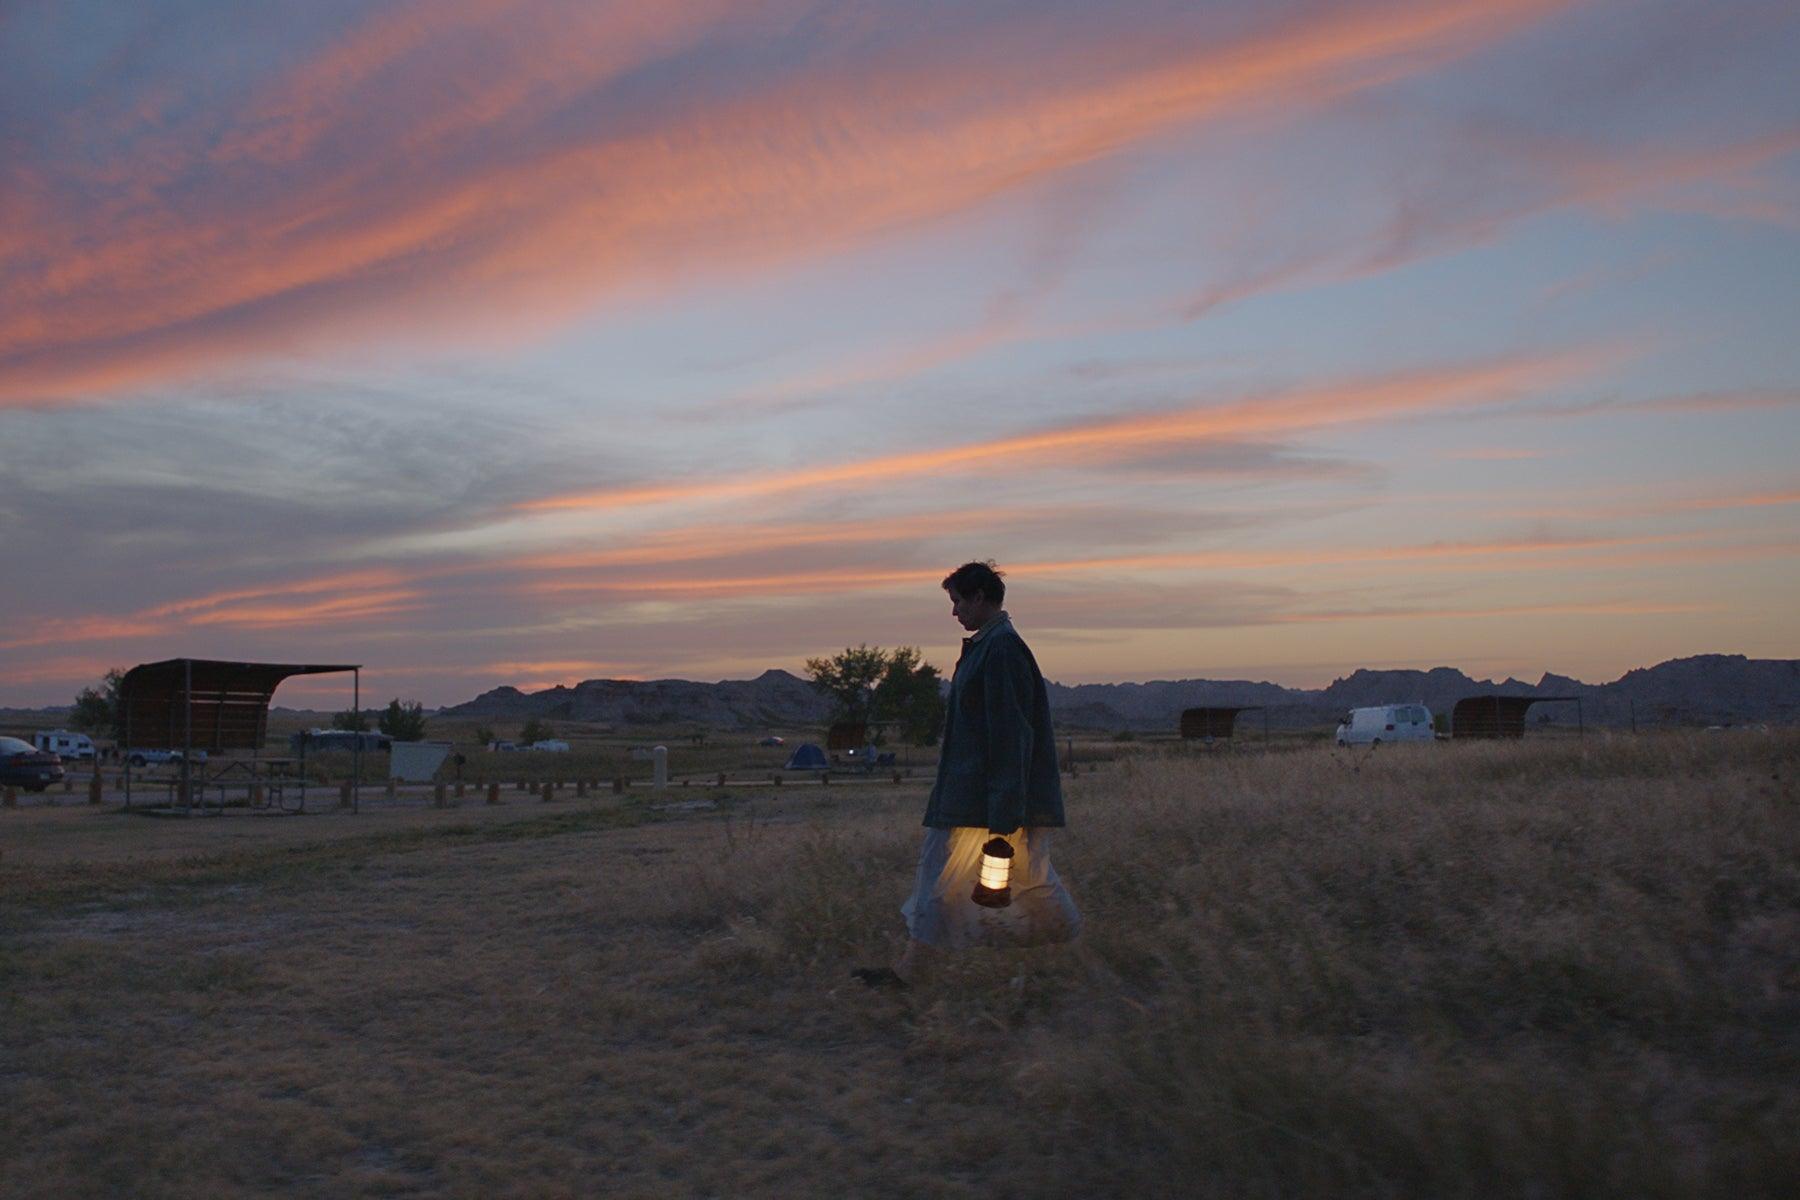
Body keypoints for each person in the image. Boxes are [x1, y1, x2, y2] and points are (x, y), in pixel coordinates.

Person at [857, 560, 1080, 988]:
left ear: (980, 597)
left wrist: (1004, 815)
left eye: (958, 601)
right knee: (944, 878)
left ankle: (1068, 946)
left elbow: (1011, 734)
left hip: (982, 798)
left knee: (1013, 879)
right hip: (969, 793)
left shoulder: (1002, 650)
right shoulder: (988, 647)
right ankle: (911, 970)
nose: (954, 612)